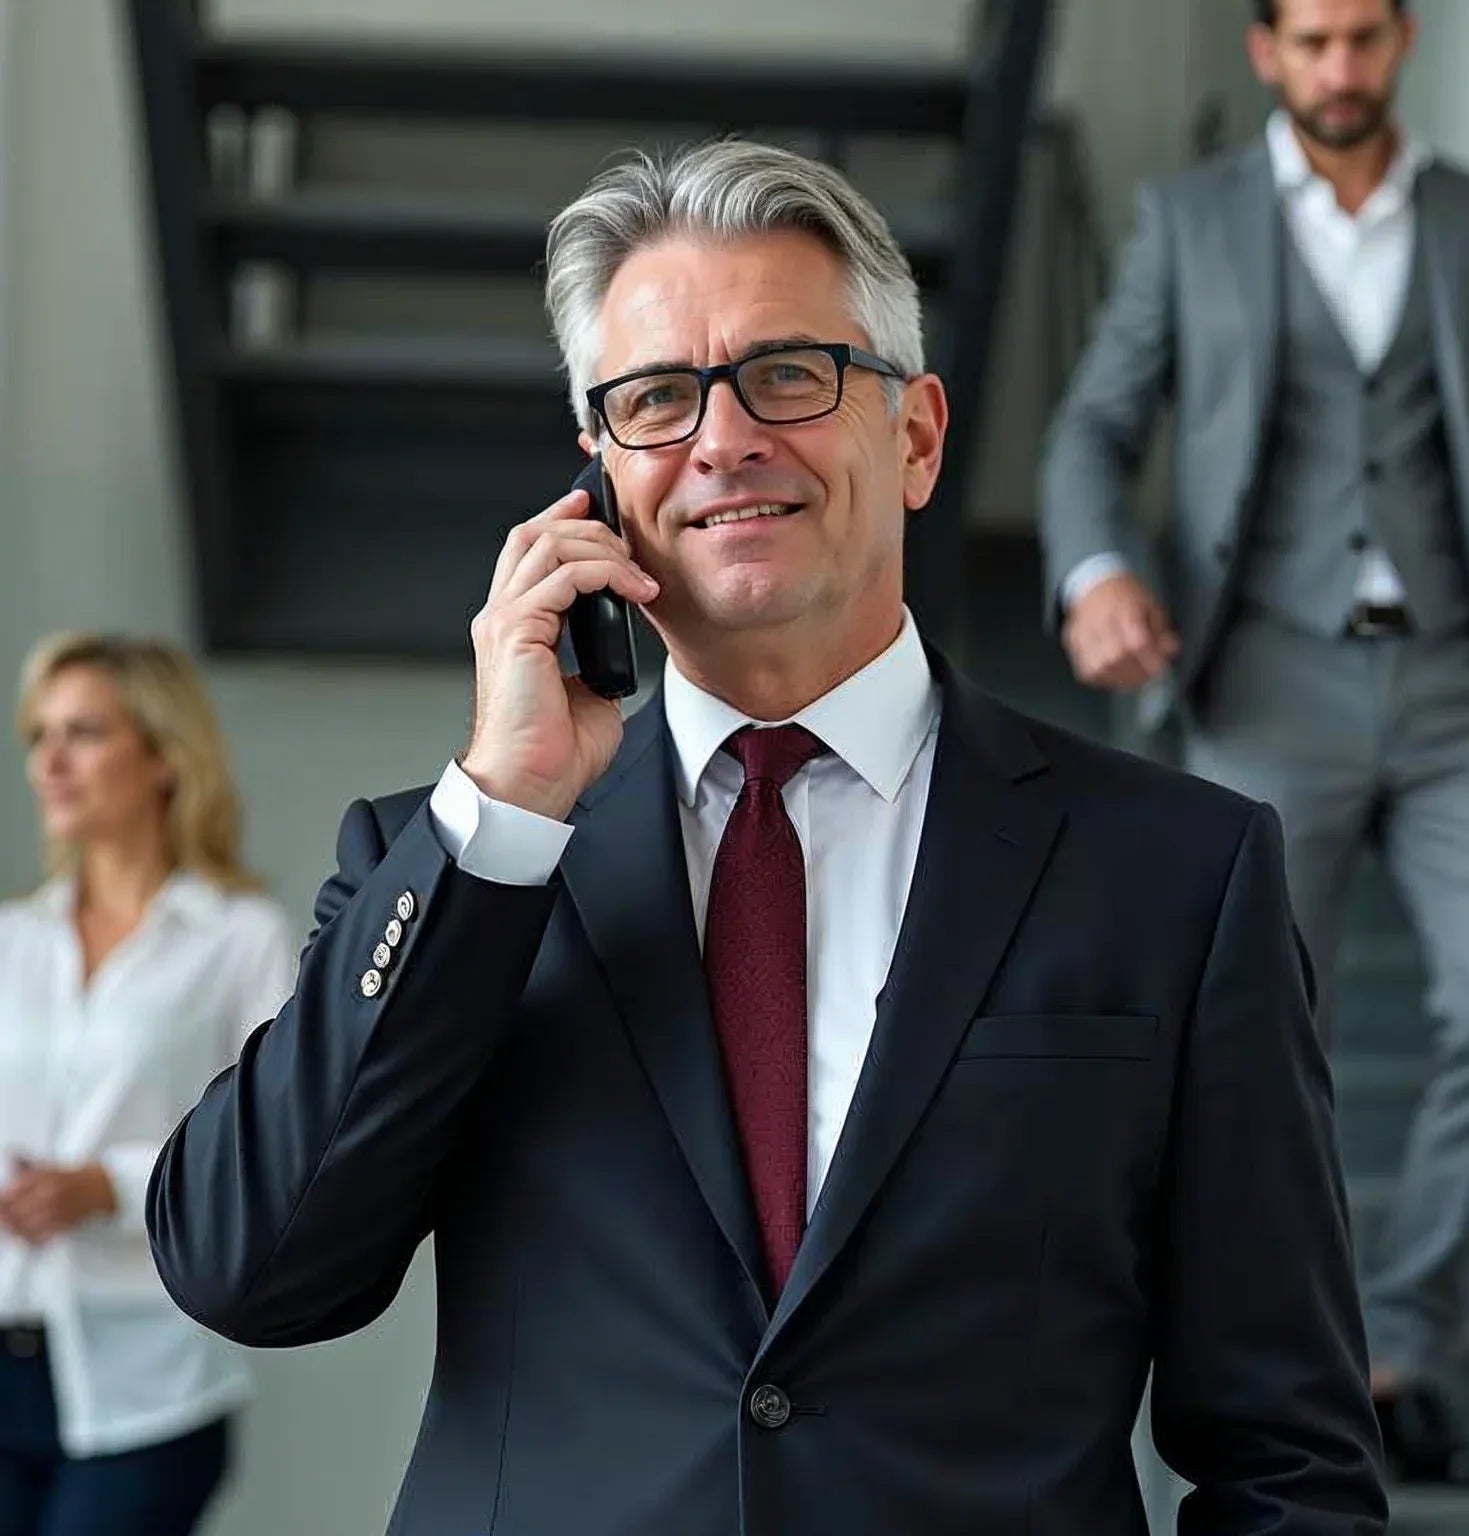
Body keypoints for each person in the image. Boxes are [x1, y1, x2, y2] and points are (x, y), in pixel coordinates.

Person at [147, 139, 1386, 1534]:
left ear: (914, 436)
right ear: (600, 476)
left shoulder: (1178, 873)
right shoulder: (447, 861)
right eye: (658, 400)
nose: (723, 439)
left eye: (787, 376)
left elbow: (1289, 1459)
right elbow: (246, 1269)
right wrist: (495, 812)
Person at [1038, 0, 1469, 1487]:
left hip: (1451, 680)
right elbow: (1090, 432)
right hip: (1262, 681)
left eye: (1366, 39)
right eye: (1311, 41)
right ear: (1267, 51)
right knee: (1269, 1049)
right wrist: (1096, 571)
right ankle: (1288, 1372)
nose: (1340, 68)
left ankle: (1406, 1348)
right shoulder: (1191, 221)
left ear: (1401, 45)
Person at [0, 633, 294, 1536]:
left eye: (83, 732)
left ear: (164, 756)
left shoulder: (241, 937)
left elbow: (272, 1143)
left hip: (148, 1382)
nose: (48, 762)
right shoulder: (11, 940)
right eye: (38, 735)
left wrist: (111, 1188)